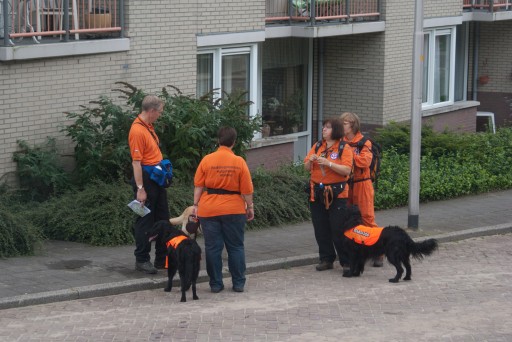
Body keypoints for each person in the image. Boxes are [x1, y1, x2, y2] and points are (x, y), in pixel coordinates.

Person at [192, 126, 254, 293]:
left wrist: (195, 205)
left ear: (218, 140)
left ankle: (216, 284)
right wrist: (250, 207)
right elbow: (247, 190)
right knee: (236, 247)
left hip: (209, 209)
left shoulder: (207, 160)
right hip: (234, 209)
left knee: (212, 248)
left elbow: (198, 185)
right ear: (234, 142)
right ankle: (238, 283)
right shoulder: (239, 161)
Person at [304, 118, 353, 274]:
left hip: (337, 194)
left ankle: (347, 261)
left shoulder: (344, 148)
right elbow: (306, 167)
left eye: (328, 127)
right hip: (317, 193)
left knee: (338, 228)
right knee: (320, 227)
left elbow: (347, 170)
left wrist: (328, 163)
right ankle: (326, 258)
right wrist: (310, 161)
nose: (324, 130)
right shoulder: (318, 145)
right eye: (324, 127)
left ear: (336, 130)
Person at [128, 95, 169, 274]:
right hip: (146, 180)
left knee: (162, 219)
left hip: (156, 179)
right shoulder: (137, 131)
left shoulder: (148, 126)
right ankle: (142, 259)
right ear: (151, 111)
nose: (160, 115)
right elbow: (136, 163)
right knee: (145, 221)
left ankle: (161, 258)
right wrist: (140, 189)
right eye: (159, 112)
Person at [340, 111, 383, 267]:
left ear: (352, 125)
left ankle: (379, 252)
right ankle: (357, 250)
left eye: (344, 123)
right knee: (349, 220)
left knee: (367, 218)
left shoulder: (364, 142)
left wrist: (348, 155)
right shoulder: (341, 141)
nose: (341, 126)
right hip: (346, 184)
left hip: (362, 183)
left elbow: (364, 162)